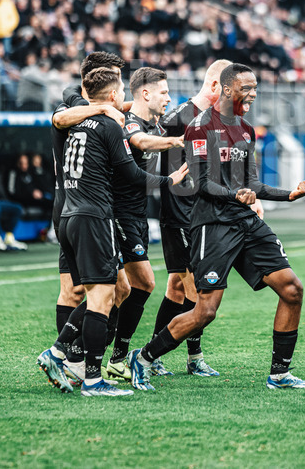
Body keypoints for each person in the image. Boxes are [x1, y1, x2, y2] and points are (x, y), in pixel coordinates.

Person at [128, 63, 305, 392]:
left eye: (255, 87)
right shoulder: (199, 127)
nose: (254, 94)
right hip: (213, 225)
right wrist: (235, 194)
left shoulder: (246, 130)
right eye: (247, 88)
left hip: (244, 221)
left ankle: (279, 374)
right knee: (205, 311)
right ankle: (144, 357)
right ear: (227, 89)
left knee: (292, 289)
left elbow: (252, 183)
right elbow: (202, 183)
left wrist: (288, 194)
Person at [37, 68, 187, 397]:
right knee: (100, 295)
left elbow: (64, 112)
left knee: (113, 290)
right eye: (120, 88)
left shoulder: (75, 120)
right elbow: (132, 173)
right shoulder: (108, 125)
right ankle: (79, 367)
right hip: (95, 216)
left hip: (70, 212)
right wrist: (170, 180)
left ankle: (69, 358)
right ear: (111, 94)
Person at [150, 59, 231, 378]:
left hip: (198, 215)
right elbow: (163, 167)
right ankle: (193, 357)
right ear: (214, 86)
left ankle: (153, 356)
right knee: (197, 290)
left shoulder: (213, 120)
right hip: (180, 215)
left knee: (176, 287)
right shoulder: (179, 118)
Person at [46, 52, 128, 364]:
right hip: (71, 203)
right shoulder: (70, 104)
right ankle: (71, 360)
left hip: (95, 205)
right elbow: (59, 119)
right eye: (112, 77)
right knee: (75, 290)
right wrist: (103, 107)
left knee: (120, 287)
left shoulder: (96, 107)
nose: (117, 85)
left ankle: (77, 357)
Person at [103, 67, 183, 381]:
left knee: (122, 290)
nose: (168, 98)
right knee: (143, 283)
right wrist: (175, 141)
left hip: (138, 215)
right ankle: (95, 353)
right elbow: (141, 142)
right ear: (146, 93)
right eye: (164, 92)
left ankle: (102, 355)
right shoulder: (131, 123)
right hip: (119, 213)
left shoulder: (154, 122)